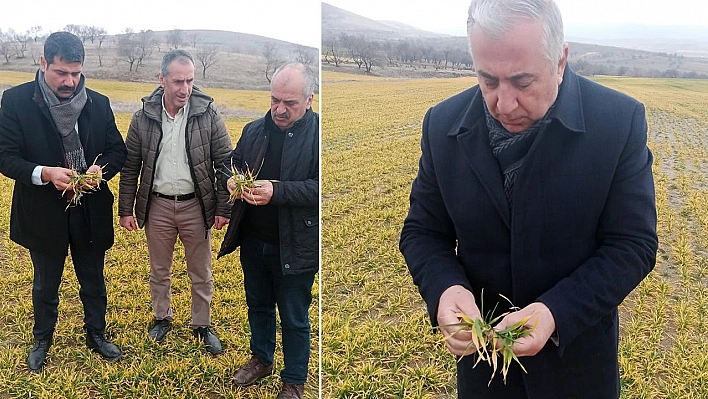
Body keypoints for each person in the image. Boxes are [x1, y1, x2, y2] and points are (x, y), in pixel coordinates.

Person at [399, 0, 658, 398]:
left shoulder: (617, 121)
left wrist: (556, 311)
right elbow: (422, 231)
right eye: (488, 81)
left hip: (577, 368)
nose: (504, 103)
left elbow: (633, 245)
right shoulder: (442, 124)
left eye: (522, 82)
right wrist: (445, 288)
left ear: (560, 60)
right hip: (483, 371)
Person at [0, 31, 127, 372]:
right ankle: (42, 338)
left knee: (93, 279)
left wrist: (102, 170)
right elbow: (5, 156)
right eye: (61, 73)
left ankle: (96, 334)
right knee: (45, 282)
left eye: (76, 72)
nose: (70, 81)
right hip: (42, 212)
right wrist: (45, 173)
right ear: (43, 63)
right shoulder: (15, 101)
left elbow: (118, 151)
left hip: (90, 210)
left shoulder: (98, 102)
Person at [118, 49, 232, 355]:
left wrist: (224, 208)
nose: (185, 88)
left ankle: (202, 325)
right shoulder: (143, 117)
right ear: (162, 79)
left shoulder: (208, 114)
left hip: (197, 205)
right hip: (158, 207)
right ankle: (161, 318)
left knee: (201, 271)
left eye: (190, 81)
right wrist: (125, 209)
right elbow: (131, 167)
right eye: (178, 81)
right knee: (159, 270)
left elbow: (225, 163)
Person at [217, 62, 319, 399]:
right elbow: (233, 162)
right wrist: (231, 178)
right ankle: (261, 359)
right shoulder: (254, 130)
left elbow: (320, 188)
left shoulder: (319, 136)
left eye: (290, 103)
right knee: (258, 306)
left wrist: (278, 191)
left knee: (294, 316)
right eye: (275, 100)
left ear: (310, 99)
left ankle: (293, 381)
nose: (280, 109)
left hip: (295, 244)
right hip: (254, 240)